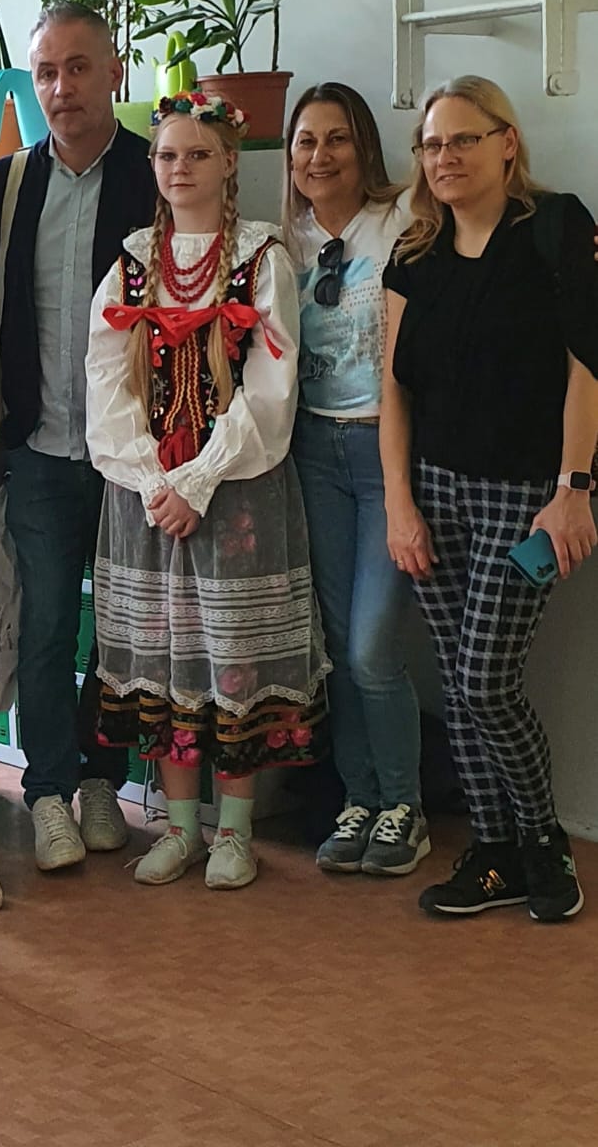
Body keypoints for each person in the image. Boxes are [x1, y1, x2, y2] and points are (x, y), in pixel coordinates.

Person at [87, 92, 330, 890]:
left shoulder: (262, 260)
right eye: (167, 155)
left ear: (230, 162)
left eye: (197, 154)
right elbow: (105, 382)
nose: (180, 168)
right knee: (166, 655)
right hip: (149, 497)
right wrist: (156, 481)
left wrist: (200, 478)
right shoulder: (131, 264)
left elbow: (271, 389)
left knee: (233, 659)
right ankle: (180, 826)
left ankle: (235, 831)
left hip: (237, 488)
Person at [382, 75, 598, 923]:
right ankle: (492, 849)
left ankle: (543, 842)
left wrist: (573, 489)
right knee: (455, 675)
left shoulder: (557, 228)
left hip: (527, 497)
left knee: (483, 683)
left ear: (507, 143)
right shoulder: (414, 253)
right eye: (432, 144)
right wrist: (399, 504)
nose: (445, 157)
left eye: (463, 139)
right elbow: (393, 391)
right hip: (434, 491)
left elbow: (588, 368)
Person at [0, 2, 151, 871]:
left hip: (134, 456)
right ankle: (47, 789)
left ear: (114, 73)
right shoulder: (6, 185)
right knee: (44, 627)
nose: (61, 87)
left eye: (78, 67)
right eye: (45, 72)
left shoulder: (157, 173)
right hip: (40, 448)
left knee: (122, 630)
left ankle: (101, 780)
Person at [283, 84, 429, 877]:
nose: (320, 156)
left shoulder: (401, 221)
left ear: (364, 147)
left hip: (384, 453)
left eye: (336, 139)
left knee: (374, 647)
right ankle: (360, 797)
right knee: (337, 647)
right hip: (314, 451)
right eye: (306, 141)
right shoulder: (285, 243)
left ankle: (405, 803)